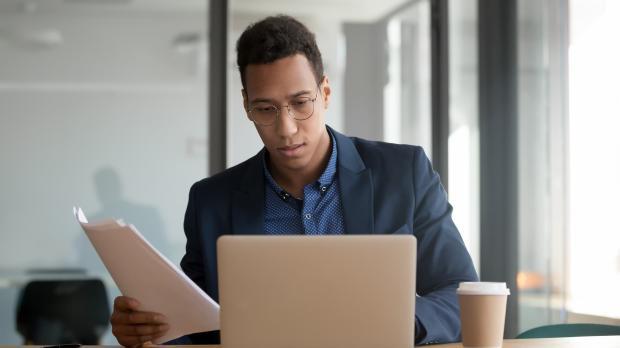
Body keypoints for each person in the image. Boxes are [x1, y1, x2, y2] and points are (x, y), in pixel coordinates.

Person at [110, 15, 478, 347]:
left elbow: (461, 295)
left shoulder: (403, 173)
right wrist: (150, 331)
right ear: (246, 106)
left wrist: (398, 325)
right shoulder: (212, 201)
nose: (286, 129)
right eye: (265, 109)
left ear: (325, 93)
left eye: (301, 103)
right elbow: (195, 326)